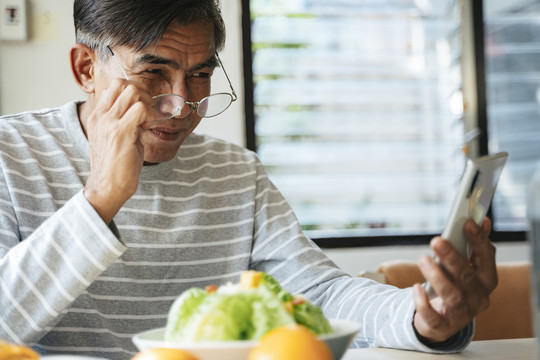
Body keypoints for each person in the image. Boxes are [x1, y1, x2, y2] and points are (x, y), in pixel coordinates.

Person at [0, 0, 497, 359]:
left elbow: (319, 296)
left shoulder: (237, 173)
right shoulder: (10, 154)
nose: (183, 105)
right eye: (153, 72)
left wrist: (422, 317)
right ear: (86, 67)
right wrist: (101, 197)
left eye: (200, 74)